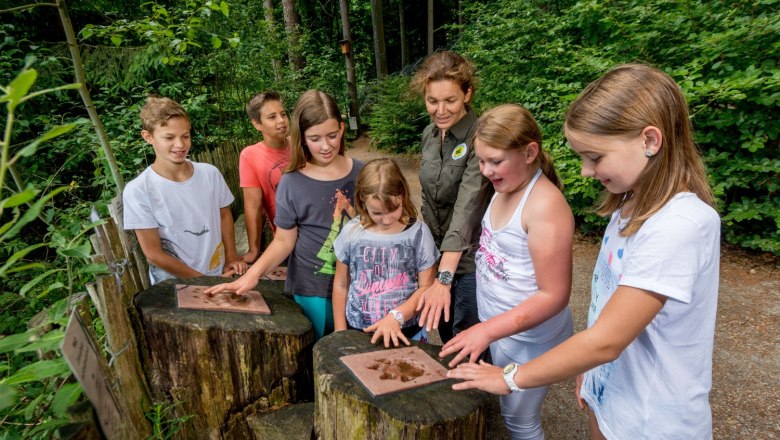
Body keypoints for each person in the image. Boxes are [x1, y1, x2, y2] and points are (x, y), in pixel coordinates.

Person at [448, 64, 720, 440]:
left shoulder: (679, 225)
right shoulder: (631, 206)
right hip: (612, 397)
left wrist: (511, 377)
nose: (586, 171)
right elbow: (608, 304)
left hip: (653, 421)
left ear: (650, 141)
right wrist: (592, 371)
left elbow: (606, 340)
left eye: (595, 157)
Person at [438, 104, 574, 439]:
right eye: (481, 160)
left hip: (528, 338)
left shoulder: (544, 206)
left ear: (530, 153)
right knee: (506, 404)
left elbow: (554, 295)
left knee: (520, 420)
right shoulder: (505, 186)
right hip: (503, 330)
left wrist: (486, 331)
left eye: (495, 161)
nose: (485, 170)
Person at [205, 90, 364, 340]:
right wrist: (251, 275)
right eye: (314, 138)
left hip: (360, 285)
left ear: (342, 129)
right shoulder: (291, 181)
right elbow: (283, 240)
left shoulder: (362, 173)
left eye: (332, 136)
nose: (325, 146)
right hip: (313, 288)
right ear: (300, 137)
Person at [123, 96, 246, 285]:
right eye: (169, 137)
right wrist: (203, 281)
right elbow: (153, 254)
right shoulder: (138, 191)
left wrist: (231, 257)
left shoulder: (210, 173)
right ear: (148, 137)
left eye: (185, 136)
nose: (180, 145)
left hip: (219, 273)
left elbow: (224, 215)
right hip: (174, 286)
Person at [410, 51, 488, 343]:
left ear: (467, 94)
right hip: (436, 255)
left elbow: (468, 207)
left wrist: (444, 278)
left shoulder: (480, 136)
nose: (440, 110)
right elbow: (428, 202)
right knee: (443, 332)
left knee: (467, 340)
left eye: (450, 100)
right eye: (433, 101)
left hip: (469, 261)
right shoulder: (429, 135)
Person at [332, 158, 440, 348]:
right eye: (377, 213)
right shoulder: (352, 232)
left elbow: (427, 287)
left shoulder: (418, 233)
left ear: (403, 195)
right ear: (362, 201)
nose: (387, 220)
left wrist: (396, 317)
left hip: (408, 332)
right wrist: (340, 331)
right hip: (359, 331)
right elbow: (341, 284)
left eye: (393, 209)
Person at [238, 90, 291, 263]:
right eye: (272, 117)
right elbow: (253, 206)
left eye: (283, 114)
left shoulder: (302, 144)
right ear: (257, 124)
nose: (281, 120)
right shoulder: (250, 155)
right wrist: (254, 250)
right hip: (285, 239)